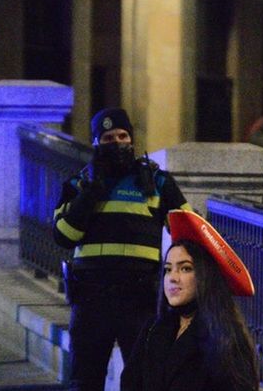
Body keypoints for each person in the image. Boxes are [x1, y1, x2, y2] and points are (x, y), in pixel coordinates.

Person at [52, 107, 192, 390]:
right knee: (85, 382)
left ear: (131, 139)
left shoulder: (156, 182)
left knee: (143, 381)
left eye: (122, 135)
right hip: (91, 299)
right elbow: (64, 236)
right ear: (95, 143)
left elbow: (189, 232)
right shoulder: (78, 184)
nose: (117, 142)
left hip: (139, 300)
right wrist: (90, 194)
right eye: (107, 138)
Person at [120, 210, 259, 390]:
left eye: (185, 269)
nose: (173, 278)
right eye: (168, 269)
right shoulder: (152, 329)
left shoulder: (226, 338)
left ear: (205, 276)